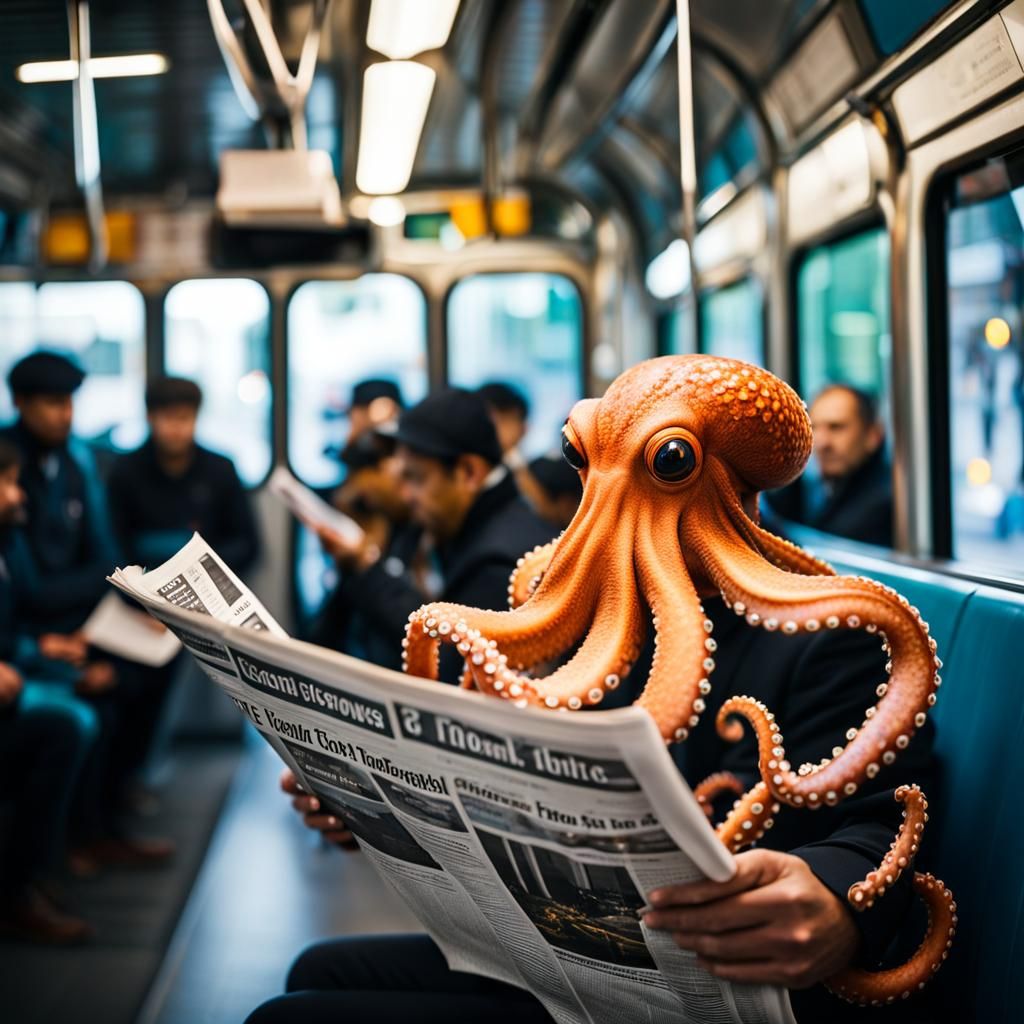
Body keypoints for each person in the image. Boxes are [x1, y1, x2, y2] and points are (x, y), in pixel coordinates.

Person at [251, 490, 936, 1024]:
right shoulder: (608, 625)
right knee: (320, 970)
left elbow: (882, 820)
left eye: (662, 466)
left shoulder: (830, 636)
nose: (614, 501)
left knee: (291, 1017)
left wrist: (837, 903)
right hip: (574, 950)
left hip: (714, 983)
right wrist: (377, 807)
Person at [314, 388, 554, 682]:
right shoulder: (452, 523)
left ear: (468, 472)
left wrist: (367, 570)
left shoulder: (500, 565)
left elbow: (451, 668)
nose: (405, 495)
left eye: (416, 478)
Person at [0, 438, 99, 943]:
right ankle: (18, 886)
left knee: (95, 695)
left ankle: (39, 864)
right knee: (64, 727)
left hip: (17, 667)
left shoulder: (9, 540)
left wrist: (41, 647)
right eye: (5, 483)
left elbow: (18, 619)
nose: (18, 495)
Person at [107, 376, 260, 576]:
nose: (177, 428)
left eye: (184, 418)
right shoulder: (125, 471)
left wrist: (202, 569)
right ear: (150, 418)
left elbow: (246, 544)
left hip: (208, 579)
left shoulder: (221, 469)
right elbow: (114, 543)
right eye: (168, 417)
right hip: (142, 580)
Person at [766, 384, 893, 547]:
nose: (821, 442)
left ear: (873, 435)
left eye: (836, 427)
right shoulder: (814, 488)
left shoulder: (886, 502)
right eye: (813, 428)